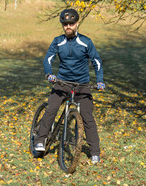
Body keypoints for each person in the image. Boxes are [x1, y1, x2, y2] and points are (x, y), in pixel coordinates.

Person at [35, 9, 105, 164]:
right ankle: (39, 140)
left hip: (82, 85)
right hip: (61, 83)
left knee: (87, 117)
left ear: (77, 24)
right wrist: (49, 74)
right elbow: (48, 59)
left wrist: (99, 80)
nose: (68, 26)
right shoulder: (58, 41)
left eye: (71, 23)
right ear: (62, 25)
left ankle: (95, 153)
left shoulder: (86, 42)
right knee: (51, 109)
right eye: (65, 24)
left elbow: (97, 62)